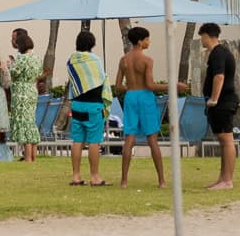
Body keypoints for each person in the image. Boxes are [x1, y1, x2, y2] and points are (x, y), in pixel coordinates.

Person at [114, 25, 165, 189]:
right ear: (140, 41)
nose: (149, 42)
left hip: (131, 96)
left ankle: (123, 181)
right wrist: (171, 86)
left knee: (130, 137)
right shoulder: (147, 60)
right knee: (152, 139)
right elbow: (150, 85)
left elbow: (117, 86)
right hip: (145, 97)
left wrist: (130, 89)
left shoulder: (124, 60)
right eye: (147, 39)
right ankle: (161, 181)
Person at [63, 27, 109, 187]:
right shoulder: (95, 60)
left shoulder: (71, 61)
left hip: (77, 105)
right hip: (93, 106)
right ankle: (95, 177)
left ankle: (75, 176)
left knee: (77, 141)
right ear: (92, 43)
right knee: (94, 142)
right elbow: (102, 80)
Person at [199, 22, 238, 190]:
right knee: (223, 141)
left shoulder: (218, 53)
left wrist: (214, 99)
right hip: (221, 102)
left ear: (207, 35)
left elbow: (219, 76)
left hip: (223, 102)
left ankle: (227, 180)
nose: (201, 40)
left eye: (201, 37)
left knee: (226, 139)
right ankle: (222, 178)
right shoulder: (218, 52)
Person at [7, 27, 42, 162]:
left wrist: (10, 65)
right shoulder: (36, 58)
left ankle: (27, 157)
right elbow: (39, 73)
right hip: (32, 90)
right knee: (31, 122)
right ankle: (33, 155)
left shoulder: (21, 59)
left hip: (21, 92)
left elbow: (14, 73)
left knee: (23, 123)